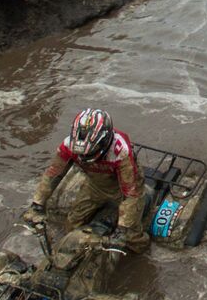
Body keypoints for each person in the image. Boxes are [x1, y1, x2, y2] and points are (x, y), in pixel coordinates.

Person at [23, 108, 149, 254]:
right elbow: (53, 174)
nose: (84, 157)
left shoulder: (121, 152)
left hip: (123, 186)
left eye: (89, 153)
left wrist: (122, 229)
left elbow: (130, 193)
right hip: (95, 185)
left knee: (131, 236)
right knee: (72, 222)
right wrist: (37, 204)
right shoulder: (68, 146)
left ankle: (142, 256)